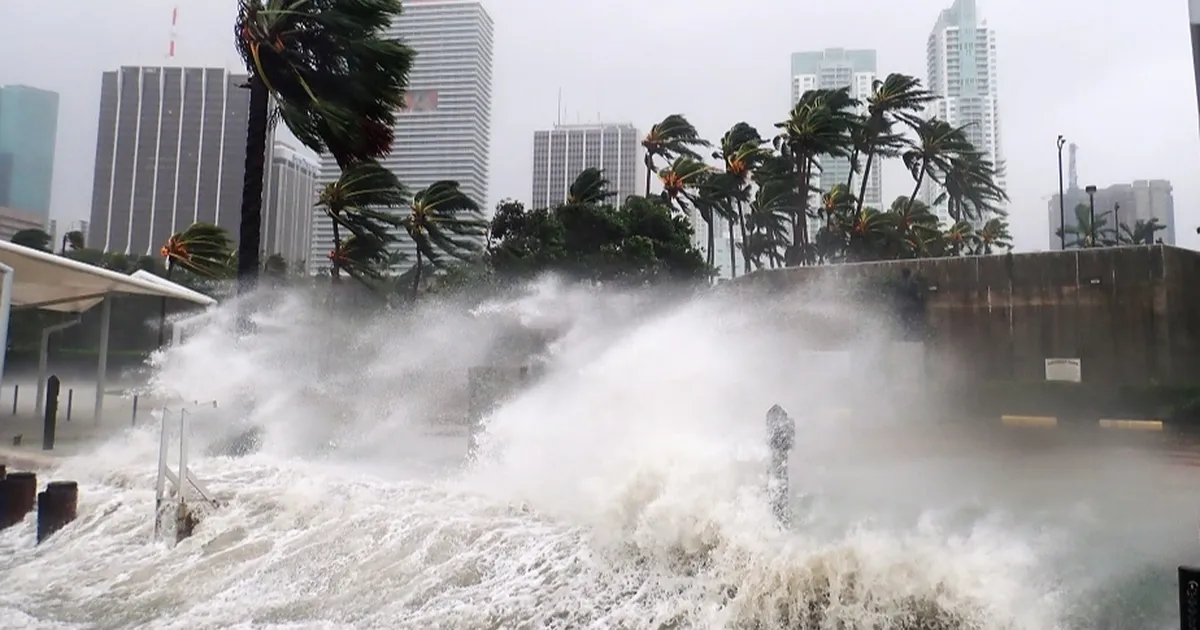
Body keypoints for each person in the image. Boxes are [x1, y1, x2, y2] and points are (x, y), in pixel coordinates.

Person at [765, 404, 794, 526]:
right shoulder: (786, 428)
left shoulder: (776, 432)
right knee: (780, 494)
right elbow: (790, 445)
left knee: (776, 495)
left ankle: (777, 522)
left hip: (777, 466)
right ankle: (780, 522)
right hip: (780, 466)